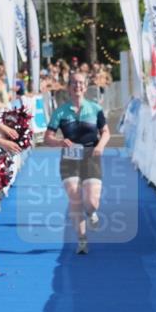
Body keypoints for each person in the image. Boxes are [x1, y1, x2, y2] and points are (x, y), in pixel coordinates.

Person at [43, 71, 110, 255]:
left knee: (92, 202)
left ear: (85, 87)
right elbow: (47, 138)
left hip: (91, 155)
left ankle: (92, 212)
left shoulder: (95, 109)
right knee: (74, 197)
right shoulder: (61, 111)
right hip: (69, 158)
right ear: (68, 87)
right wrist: (59, 142)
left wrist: (101, 146)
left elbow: (105, 132)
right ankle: (81, 239)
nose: (77, 86)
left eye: (80, 83)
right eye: (73, 83)